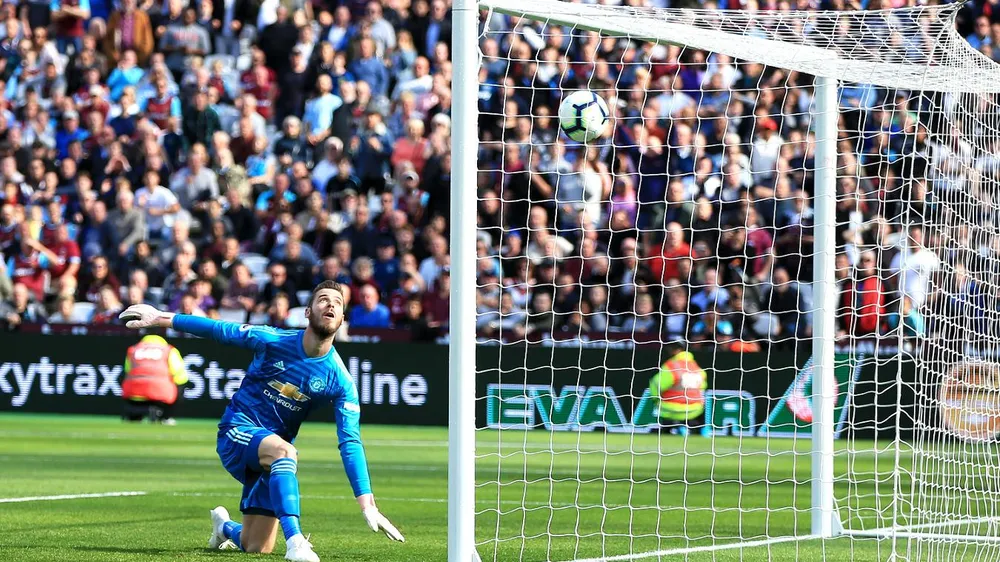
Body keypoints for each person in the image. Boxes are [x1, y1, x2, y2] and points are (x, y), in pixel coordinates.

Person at [118, 281, 403, 561]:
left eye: (337, 303)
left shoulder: (340, 381)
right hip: (237, 432)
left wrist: (367, 503)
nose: (330, 305)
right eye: (323, 299)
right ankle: (296, 543)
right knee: (285, 451)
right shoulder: (273, 340)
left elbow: (350, 441)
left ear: (342, 319)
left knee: (256, 546)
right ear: (307, 311)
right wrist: (160, 318)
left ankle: (224, 527)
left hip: (271, 459)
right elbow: (218, 329)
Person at [121, 334, 189, 424]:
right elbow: (179, 373)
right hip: (160, 392)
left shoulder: (133, 349)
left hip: (134, 392)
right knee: (180, 384)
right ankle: (165, 417)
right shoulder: (169, 350)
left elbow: (127, 370)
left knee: (131, 387)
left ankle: (134, 414)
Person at [648, 341, 708, 435]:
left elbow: (656, 384)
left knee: (662, 410)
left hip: (671, 409)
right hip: (694, 409)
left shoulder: (671, 366)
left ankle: (675, 427)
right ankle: (699, 429)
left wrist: (656, 400)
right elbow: (703, 386)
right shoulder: (695, 367)